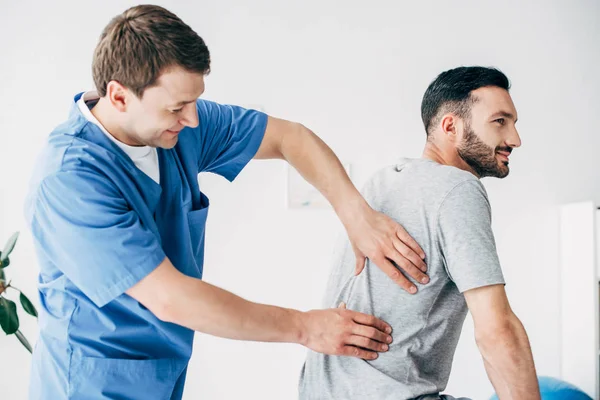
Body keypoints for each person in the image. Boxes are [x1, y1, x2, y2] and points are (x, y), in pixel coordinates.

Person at [23, 5, 431, 400]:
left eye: (195, 101)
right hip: (92, 383)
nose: (193, 119)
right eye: (177, 107)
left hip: (161, 369)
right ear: (119, 96)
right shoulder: (70, 180)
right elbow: (170, 297)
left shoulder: (177, 128)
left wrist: (355, 214)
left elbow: (290, 138)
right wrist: (306, 328)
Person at [299, 66, 540, 400]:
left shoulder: (383, 180)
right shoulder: (457, 188)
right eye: (500, 121)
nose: (515, 139)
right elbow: (496, 331)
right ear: (450, 126)